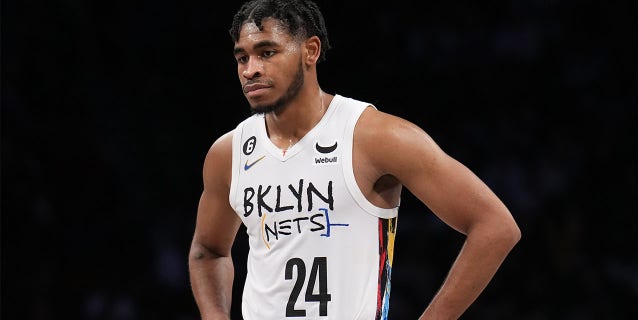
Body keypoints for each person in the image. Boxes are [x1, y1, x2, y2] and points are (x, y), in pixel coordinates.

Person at [188, 0, 521, 319]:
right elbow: (208, 251)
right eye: (242, 58)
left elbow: (495, 226)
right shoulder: (228, 153)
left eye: (267, 52)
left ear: (311, 51)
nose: (250, 70)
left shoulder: (374, 136)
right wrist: (214, 314)